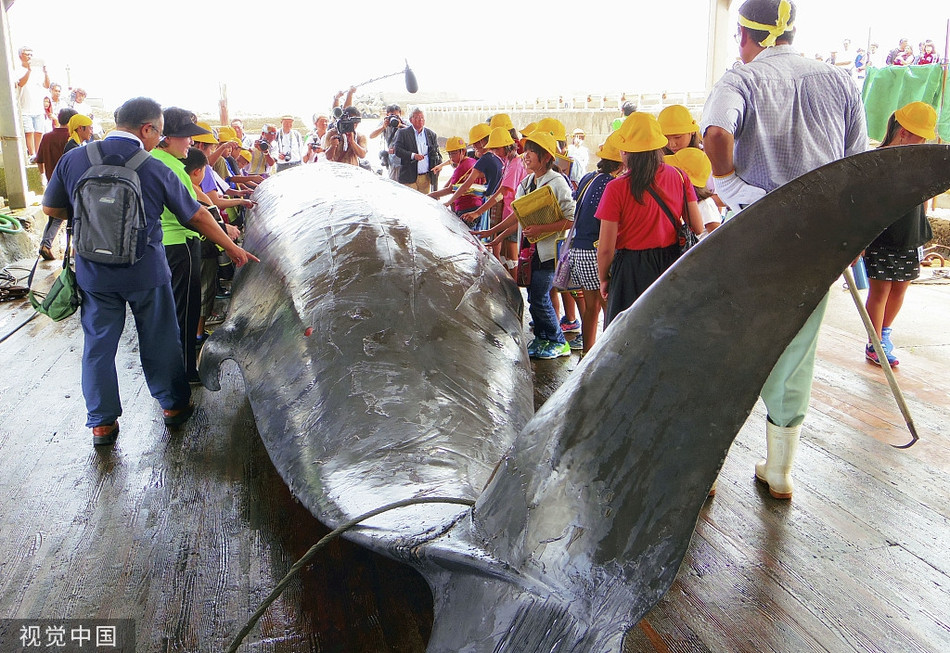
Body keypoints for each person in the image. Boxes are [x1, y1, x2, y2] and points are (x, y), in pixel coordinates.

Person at [701, 0, 867, 500]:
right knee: (796, 352)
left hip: (754, 233)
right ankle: (779, 472)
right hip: (816, 240)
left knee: (729, 346)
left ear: (743, 33)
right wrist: (852, 235)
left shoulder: (742, 78)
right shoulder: (838, 80)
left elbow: (714, 135)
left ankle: (705, 469)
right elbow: (856, 168)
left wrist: (730, 187)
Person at [41, 96, 258, 447]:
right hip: (145, 271)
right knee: (159, 339)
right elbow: (196, 215)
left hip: (94, 273)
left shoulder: (75, 158)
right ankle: (172, 406)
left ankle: (102, 423)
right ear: (147, 129)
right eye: (157, 132)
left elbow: (52, 206)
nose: (158, 139)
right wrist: (232, 248)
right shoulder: (155, 167)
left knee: (98, 345)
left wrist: (95, 221)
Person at [596, 113, 702, 327]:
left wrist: (605, 278)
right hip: (671, 265)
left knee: (628, 334)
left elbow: (606, 248)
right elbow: (697, 226)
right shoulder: (680, 176)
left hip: (631, 270)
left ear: (627, 152)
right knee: (667, 330)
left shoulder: (616, 187)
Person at [476, 131, 575, 360]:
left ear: (546, 157)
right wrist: (494, 232)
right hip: (531, 251)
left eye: (532, 151)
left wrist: (541, 229)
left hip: (550, 252)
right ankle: (542, 337)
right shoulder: (528, 182)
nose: (526, 155)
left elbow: (571, 218)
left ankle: (558, 340)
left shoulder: (557, 183)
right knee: (533, 294)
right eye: (526, 150)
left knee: (539, 296)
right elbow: (519, 215)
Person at [863, 102, 936, 368]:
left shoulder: (920, 160)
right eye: (920, 134)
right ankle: (874, 343)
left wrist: (922, 231)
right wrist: (861, 241)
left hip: (911, 232)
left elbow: (924, 199)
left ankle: (884, 335)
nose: (924, 140)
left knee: (901, 287)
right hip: (882, 235)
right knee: (881, 289)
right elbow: (866, 203)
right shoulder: (875, 160)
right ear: (903, 131)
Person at [568, 134, 624, 354]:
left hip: (577, 251)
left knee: (591, 308)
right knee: (608, 308)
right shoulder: (614, 184)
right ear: (621, 163)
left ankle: (587, 354)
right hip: (595, 251)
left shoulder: (589, 177)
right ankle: (609, 357)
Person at [35, 107, 78, 260]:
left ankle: (45, 244)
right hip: (67, 183)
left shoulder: (46, 136)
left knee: (54, 216)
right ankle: (73, 251)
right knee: (71, 215)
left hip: (51, 181)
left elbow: (39, 160)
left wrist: (43, 178)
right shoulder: (72, 137)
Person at [442, 123, 503, 226]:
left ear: (483, 141)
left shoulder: (483, 160)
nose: (474, 146)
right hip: (499, 200)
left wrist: (448, 202)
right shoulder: (496, 156)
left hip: (491, 202)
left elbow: (465, 186)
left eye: (476, 143)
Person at [428, 137, 482, 218]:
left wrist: (430, 195)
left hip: (465, 207)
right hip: (476, 205)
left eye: (453, 153)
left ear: (463, 151)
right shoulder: (471, 161)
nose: (451, 157)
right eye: (449, 154)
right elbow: (452, 181)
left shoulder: (462, 167)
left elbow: (450, 189)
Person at [393, 107, 441, 193]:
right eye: (417, 117)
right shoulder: (403, 133)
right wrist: (413, 156)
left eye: (422, 117)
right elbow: (398, 150)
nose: (420, 120)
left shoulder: (431, 134)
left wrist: (439, 165)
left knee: (425, 203)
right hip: (409, 176)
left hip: (425, 177)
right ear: (411, 120)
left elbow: (436, 153)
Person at [16, 46, 50, 158]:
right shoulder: (17, 69)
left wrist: (46, 73)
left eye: (31, 54)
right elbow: (20, 83)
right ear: (21, 55)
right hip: (25, 107)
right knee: (29, 132)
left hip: (37, 107)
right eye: (27, 54)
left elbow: (47, 85)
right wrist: (29, 70)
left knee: (39, 131)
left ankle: (38, 154)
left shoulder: (38, 72)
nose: (29, 56)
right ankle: (31, 154)